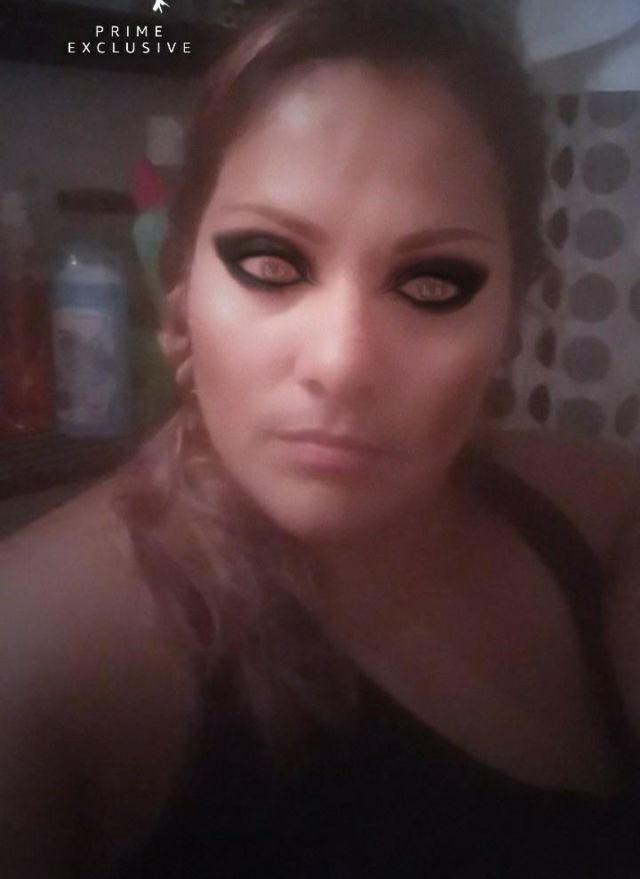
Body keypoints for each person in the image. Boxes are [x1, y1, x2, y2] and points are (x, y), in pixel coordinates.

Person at [1, 0, 639, 876]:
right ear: (179, 295)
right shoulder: (36, 661)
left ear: (513, 312)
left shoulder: (600, 515)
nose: (340, 364)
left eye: (432, 282)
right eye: (269, 263)